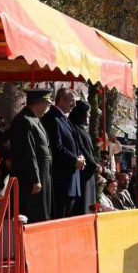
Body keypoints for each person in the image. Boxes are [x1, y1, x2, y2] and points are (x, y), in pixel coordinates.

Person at [10, 88, 54, 223]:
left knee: (43, 213)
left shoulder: (34, 119)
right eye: (47, 104)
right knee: (34, 213)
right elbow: (28, 152)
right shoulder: (25, 120)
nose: (48, 108)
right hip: (31, 178)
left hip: (43, 173)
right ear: (38, 103)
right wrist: (35, 179)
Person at [42, 88, 84, 219]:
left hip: (71, 181)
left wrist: (81, 157)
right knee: (60, 217)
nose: (74, 105)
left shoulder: (64, 119)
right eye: (72, 101)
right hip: (62, 181)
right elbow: (56, 147)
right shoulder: (52, 118)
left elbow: (74, 143)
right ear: (62, 100)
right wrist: (74, 160)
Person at [68, 100, 100, 216]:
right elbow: (81, 148)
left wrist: (96, 162)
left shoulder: (82, 128)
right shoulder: (74, 128)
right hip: (83, 174)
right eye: (88, 113)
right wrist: (94, 164)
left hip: (89, 174)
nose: (89, 116)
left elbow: (90, 150)